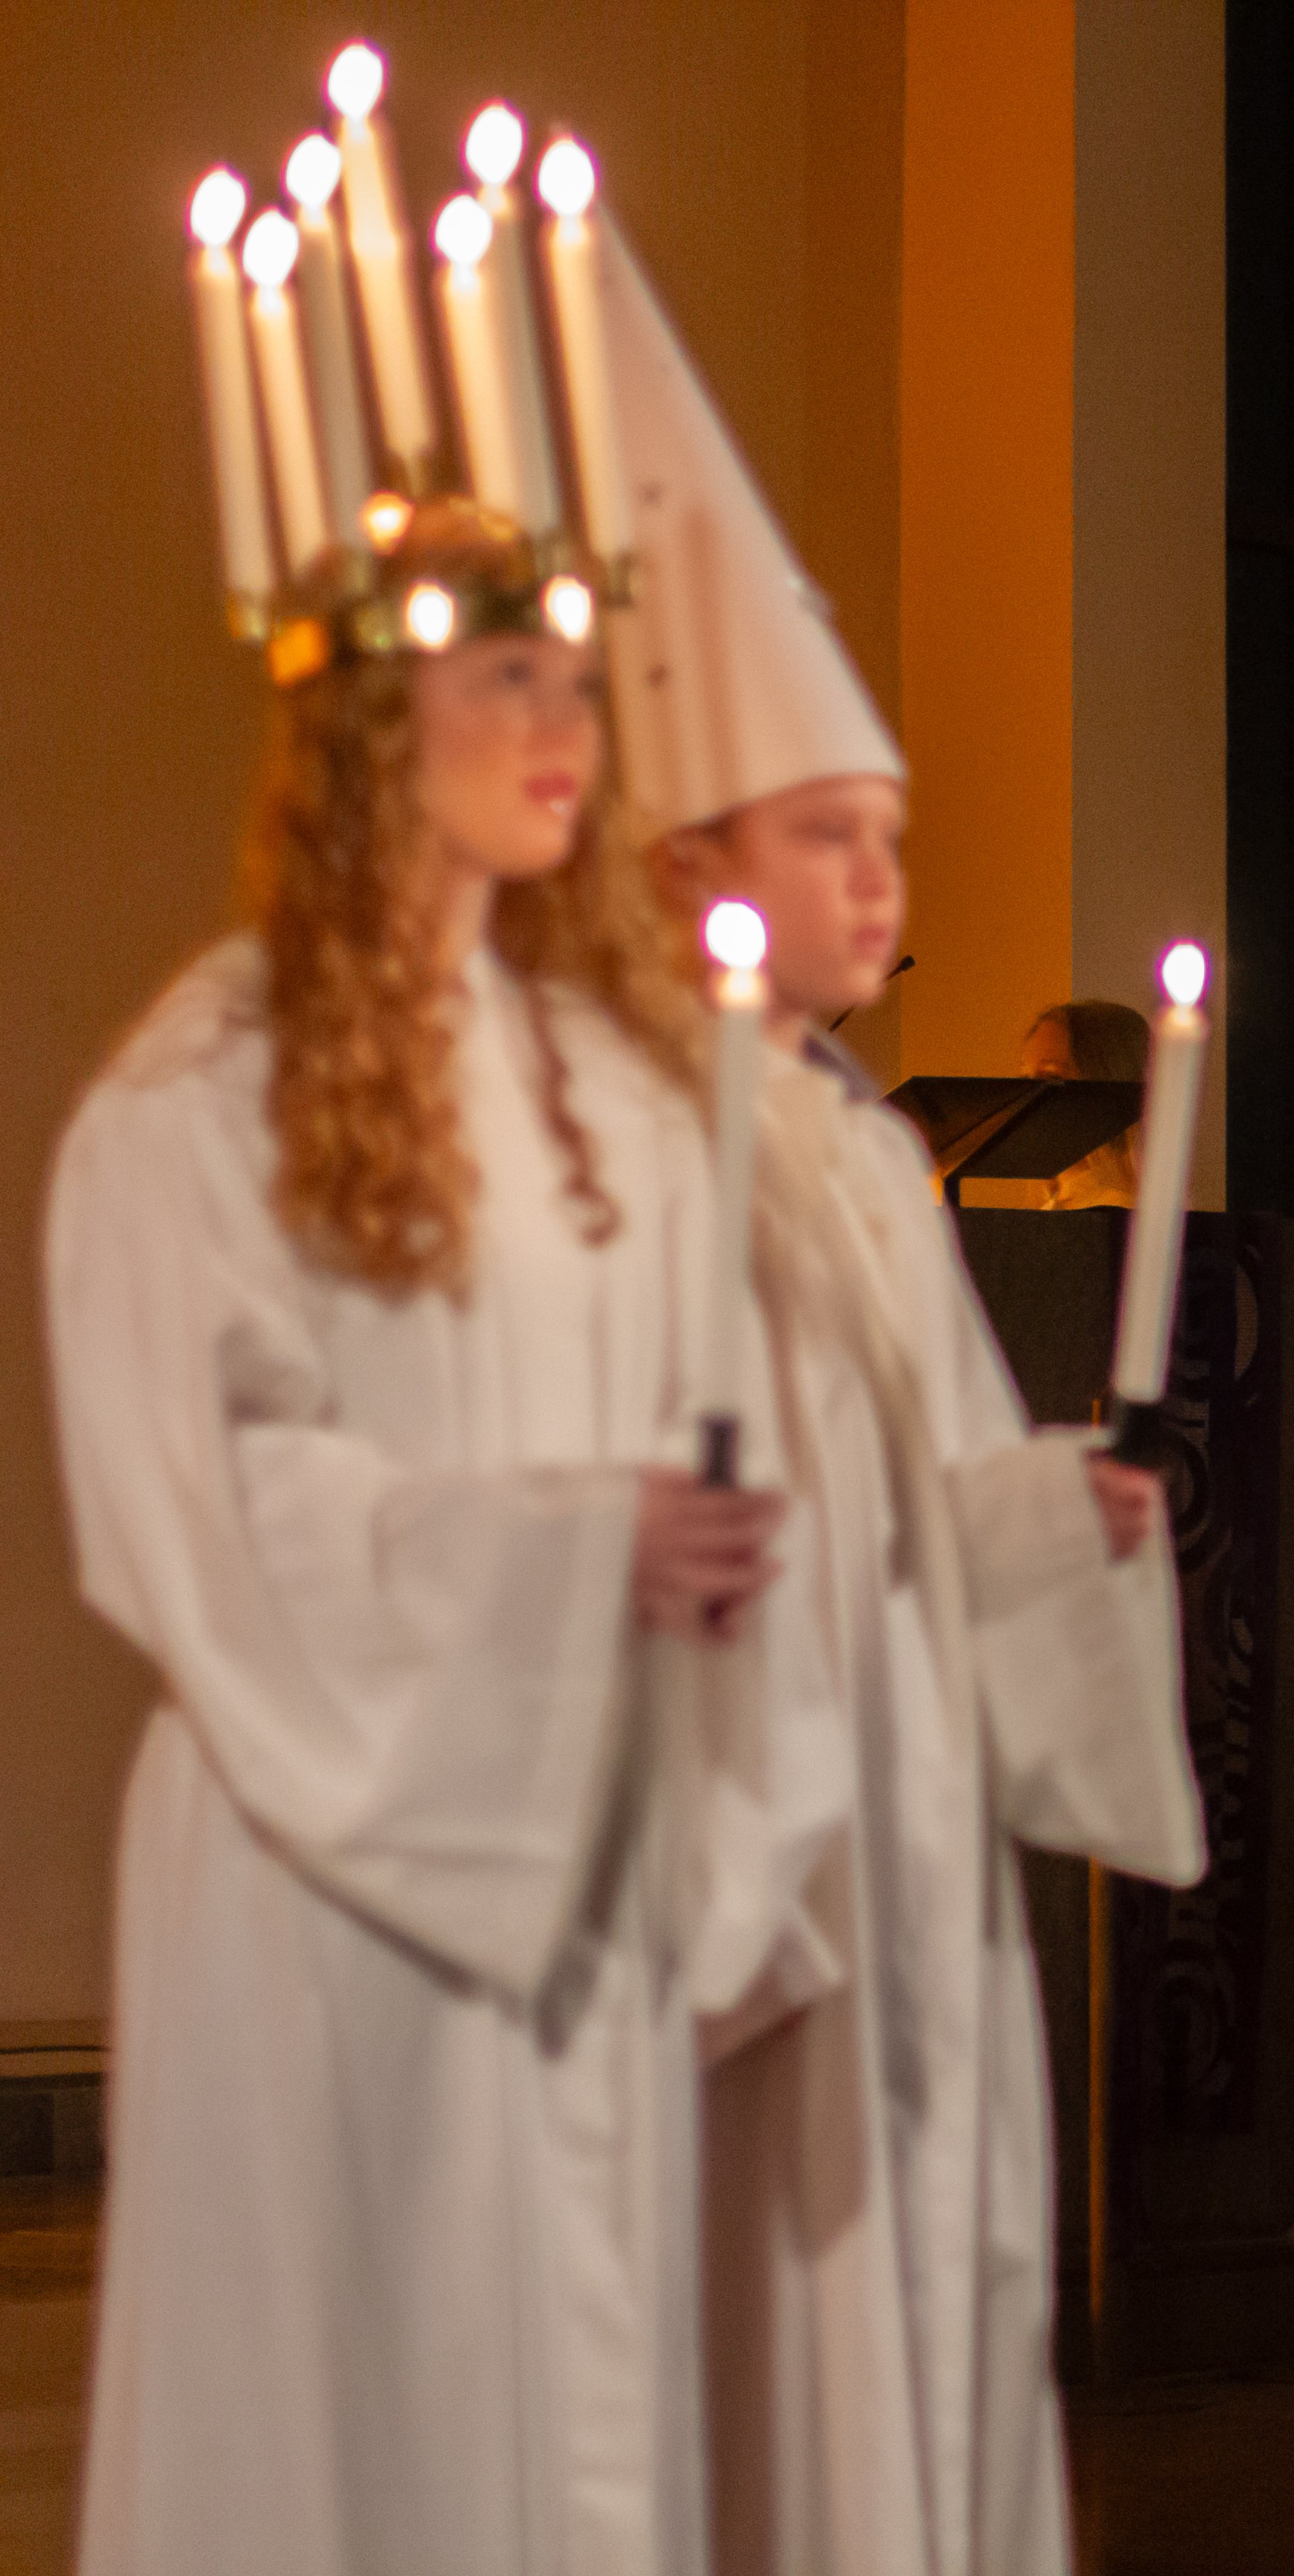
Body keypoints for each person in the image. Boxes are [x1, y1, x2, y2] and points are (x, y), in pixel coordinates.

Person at [49, 499, 789, 2572]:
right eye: (508, 679)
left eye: (579, 678)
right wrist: (564, 1557)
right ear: (377, 720)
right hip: (329, 1851)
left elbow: (690, 1435)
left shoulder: (618, 1102)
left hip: (584, 1854)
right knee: (346, 2407)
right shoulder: (208, 1090)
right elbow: (199, 1497)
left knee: (571, 2415)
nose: (569, 725)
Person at [596, 232, 1208, 2575]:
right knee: (744, 2379)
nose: (889, 881)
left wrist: (1058, 1513)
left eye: (898, 837)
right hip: (738, 1862)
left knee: (923, 2336)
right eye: (832, 834)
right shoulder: (622, 1137)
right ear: (691, 871)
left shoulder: (853, 1141)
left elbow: (920, 1494)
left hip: (904, 1841)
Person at [1019, 999, 1148, 1210]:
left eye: (1052, 1078)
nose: (1028, 1098)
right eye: (1025, 1079)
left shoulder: (1123, 1217)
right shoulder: (1050, 1207)